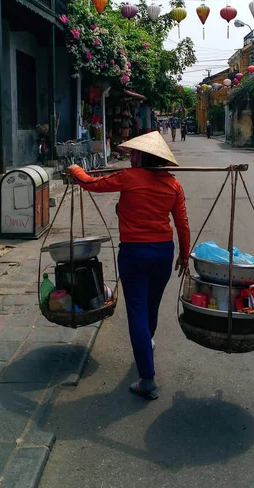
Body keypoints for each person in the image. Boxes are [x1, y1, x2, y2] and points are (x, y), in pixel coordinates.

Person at [67, 132, 190, 401]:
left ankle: (147, 378)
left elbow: (91, 184)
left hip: (134, 254)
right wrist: (184, 254)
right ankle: (147, 342)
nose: (130, 157)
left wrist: (75, 169)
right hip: (162, 254)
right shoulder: (173, 184)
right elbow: (182, 223)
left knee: (136, 311)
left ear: (142, 156)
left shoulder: (129, 178)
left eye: (133, 154)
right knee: (151, 305)